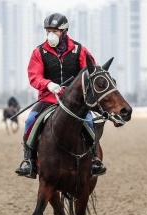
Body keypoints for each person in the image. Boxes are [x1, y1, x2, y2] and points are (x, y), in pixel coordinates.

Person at [15, 13, 106, 179]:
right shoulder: (39, 52)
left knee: (89, 121)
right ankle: (29, 161)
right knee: (30, 120)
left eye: (55, 31)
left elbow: (90, 73)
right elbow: (34, 76)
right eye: (48, 30)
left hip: (75, 102)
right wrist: (48, 84)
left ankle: (94, 159)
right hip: (48, 99)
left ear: (64, 31)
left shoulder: (80, 50)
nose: (51, 34)